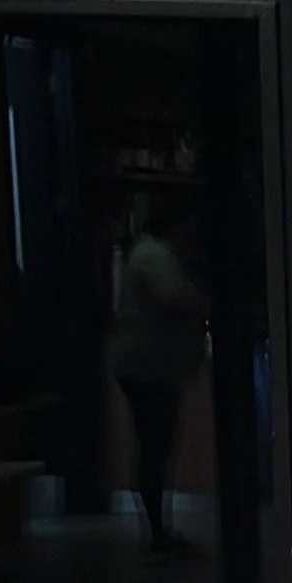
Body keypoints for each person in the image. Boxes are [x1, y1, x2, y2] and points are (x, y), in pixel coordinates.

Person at [110, 194, 207, 554]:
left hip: (149, 367)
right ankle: (156, 531)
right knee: (156, 448)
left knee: (154, 447)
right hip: (150, 369)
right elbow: (175, 297)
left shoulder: (150, 254)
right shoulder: (156, 255)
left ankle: (156, 528)